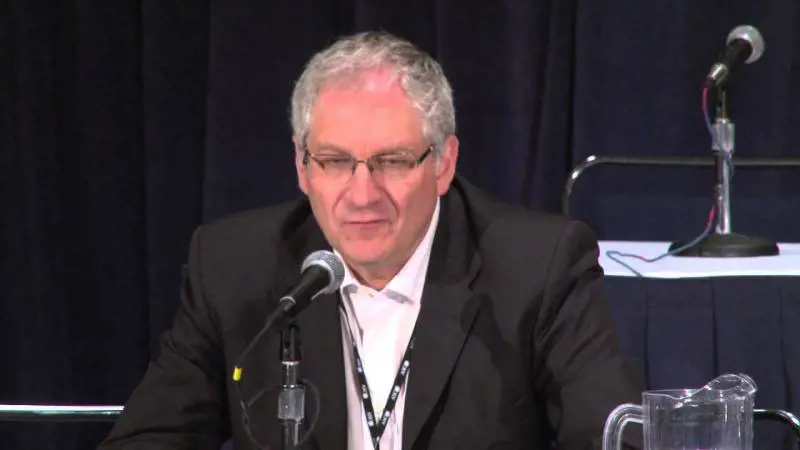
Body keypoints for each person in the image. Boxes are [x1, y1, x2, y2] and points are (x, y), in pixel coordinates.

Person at [99, 31, 643, 450]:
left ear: (443, 164)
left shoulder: (536, 267)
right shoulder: (235, 268)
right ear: (302, 167)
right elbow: (148, 439)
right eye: (335, 162)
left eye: (392, 161)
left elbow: (613, 439)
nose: (362, 195)